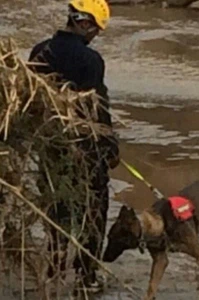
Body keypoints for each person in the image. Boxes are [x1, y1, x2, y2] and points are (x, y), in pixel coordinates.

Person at [28, 0, 119, 289]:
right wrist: (111, 147)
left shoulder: (40, 51)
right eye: (95, 30)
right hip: (86, 148)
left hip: (50, 144)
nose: (94, 36)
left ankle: (54, 266)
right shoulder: (91, 61)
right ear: (84, 23)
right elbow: (97, 109)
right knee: (93, 209)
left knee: (58, 207)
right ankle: (86, 276)